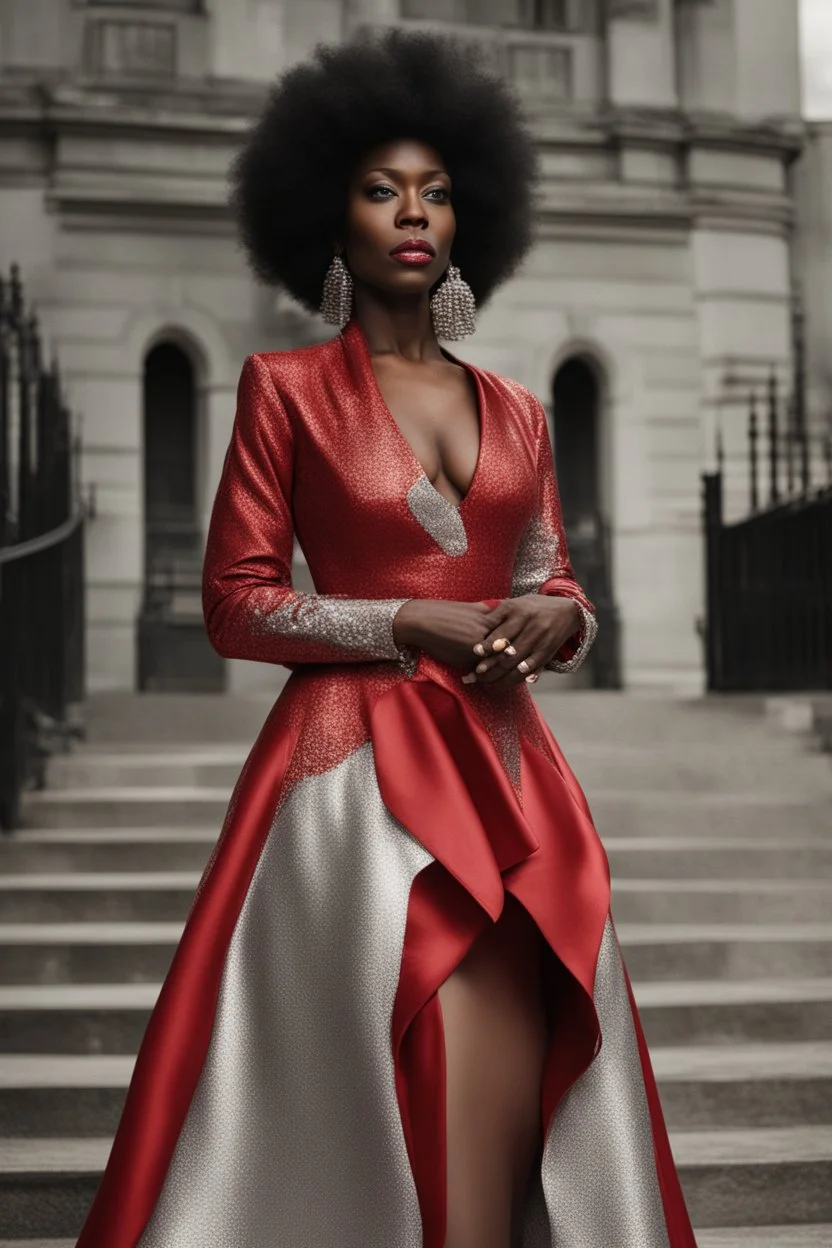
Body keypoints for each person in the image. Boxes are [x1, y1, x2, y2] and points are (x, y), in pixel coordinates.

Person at [74, 28, 698, 1248]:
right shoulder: (283, 389)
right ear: (334, 218)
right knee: (423, 1065)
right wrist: (399, 615)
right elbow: (237, 602)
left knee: (518, 1086)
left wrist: (558, 614)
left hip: (515, 773)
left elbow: (555, 574)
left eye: (437, 191)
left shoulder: (517, 407)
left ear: (469, 218)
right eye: (380, 190)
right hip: (354, 783)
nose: (414, 212)